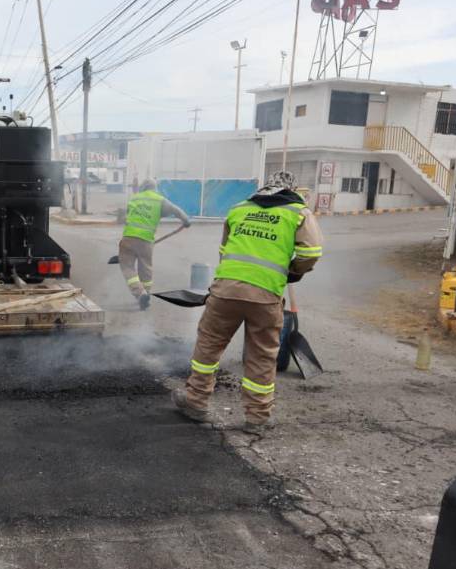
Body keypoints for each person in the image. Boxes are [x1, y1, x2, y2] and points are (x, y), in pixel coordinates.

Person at [173, 171, 323, 427]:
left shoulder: (239, 209)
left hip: (225, 291)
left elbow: (225, 251)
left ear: (265, 187)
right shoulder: (298, 213)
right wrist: (293, 271)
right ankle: (257, 418)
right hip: (265, 296)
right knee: (262, 356)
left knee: (208, 347)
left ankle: (196, 403)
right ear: (291, 189)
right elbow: (311, 252)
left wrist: (231, 280)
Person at [119, 179, 191, 310]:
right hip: (146, 241)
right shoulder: (159, 200)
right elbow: (176, 211)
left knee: (127, 266)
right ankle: (145, 294)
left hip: (128, 238)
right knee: (145, 269)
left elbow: (125, 218)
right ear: (154, 188)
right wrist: (186, 220)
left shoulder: (134, 198)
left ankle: (140, 294)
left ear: (143, 187)